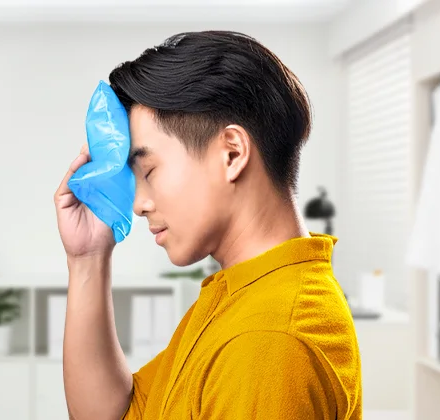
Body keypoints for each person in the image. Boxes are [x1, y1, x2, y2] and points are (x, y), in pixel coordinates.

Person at [54, 31, 362, 420]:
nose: (139, 204)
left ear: (232, 153)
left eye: (148, 170)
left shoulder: (266, 340)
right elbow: (114, 414)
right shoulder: (242, 295)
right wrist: (87, 258)